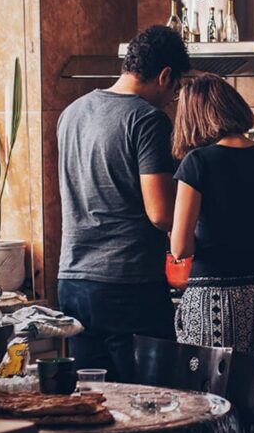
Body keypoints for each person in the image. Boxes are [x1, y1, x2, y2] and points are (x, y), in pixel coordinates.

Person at [56, 25, 190, 381]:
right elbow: (161, 214)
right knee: (152, 407)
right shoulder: (147, 120)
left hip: (72, 281)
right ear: (165, 76)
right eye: (175, 89)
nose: (172, 98)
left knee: (95, 405)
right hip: (127, 285)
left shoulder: (72, 113)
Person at [169, 74, 254, 364]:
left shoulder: (198, 162)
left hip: (213, 298)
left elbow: (181, 248)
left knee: (211, 398)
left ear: (193, 117)